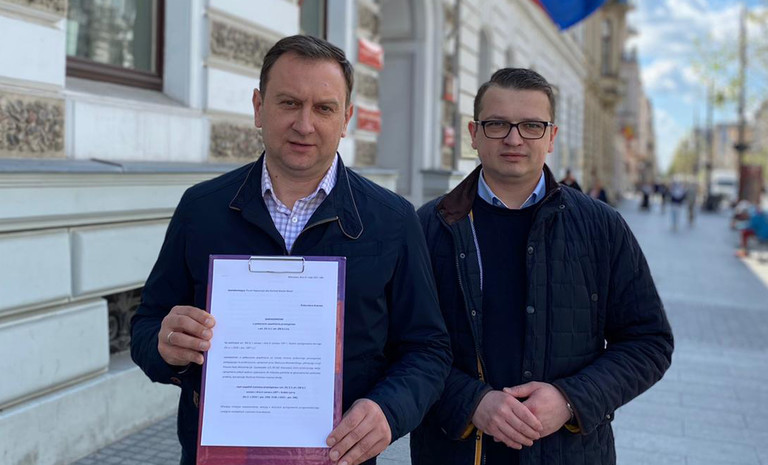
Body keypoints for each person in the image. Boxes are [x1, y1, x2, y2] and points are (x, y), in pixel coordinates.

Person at [131, 35, 451, 465]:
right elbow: (147, 324)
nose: (304, 124)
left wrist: (388, 412)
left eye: (324, 108)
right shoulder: (201, 209)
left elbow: (428, 349)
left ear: (346, 118)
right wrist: (165, 346)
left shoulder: (391, 220)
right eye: (289, 103)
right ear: (258, 108)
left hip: (337, 457)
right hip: (222, 456)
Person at [411, 68, 673, 465]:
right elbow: (402, 344)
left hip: (568, 453)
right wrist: (470, 401)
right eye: (497, 124)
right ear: (474, 134)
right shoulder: (429, 226)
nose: (514, 138)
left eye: (532, 125)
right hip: (454, 451)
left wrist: (571, 399)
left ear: (551, 137)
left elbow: (649, 341)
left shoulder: (601, 226)